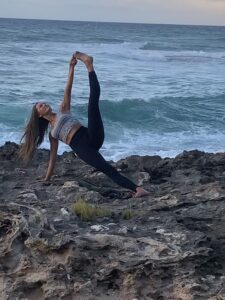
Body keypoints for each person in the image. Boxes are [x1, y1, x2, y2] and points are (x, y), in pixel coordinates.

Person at [20, 52, 149, 198]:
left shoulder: (63, 110)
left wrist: (71, 68)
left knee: (92, 103)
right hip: (82, 148)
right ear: (39, 115)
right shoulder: (52, 134)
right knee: (107, 169)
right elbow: (53, 158)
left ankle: (89, 65)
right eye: (40, 106)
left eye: (43, 103)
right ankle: (138, 189)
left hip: (91, 135)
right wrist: (47, 178)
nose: (44, 104)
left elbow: (68, 88)